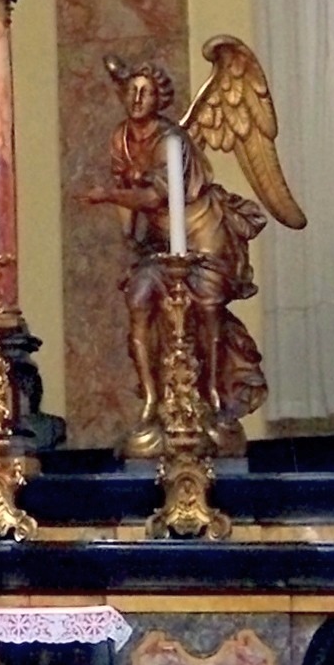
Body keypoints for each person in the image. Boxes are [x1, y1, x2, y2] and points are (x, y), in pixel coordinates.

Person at [83, 60, 273, 455]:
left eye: (145, 92)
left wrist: (106, 196)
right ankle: (153, 402)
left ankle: (212, 398)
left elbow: (157, 196)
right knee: (138, 299)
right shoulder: (120, 137)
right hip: (159, 244)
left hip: (201, 235)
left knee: (206, 308)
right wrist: (131, 237)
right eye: (131, 90)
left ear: (159, 98)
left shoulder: (173, 141)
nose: (136, 99)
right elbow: (130, 200)